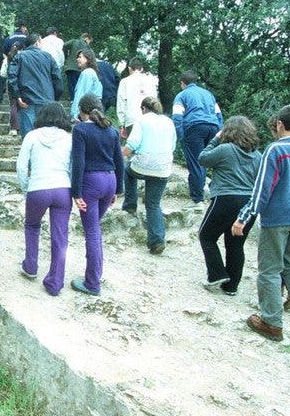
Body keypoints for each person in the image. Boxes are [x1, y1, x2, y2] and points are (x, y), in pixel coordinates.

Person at [232, 104, 290, 342]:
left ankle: (271, 322)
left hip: (278, 217)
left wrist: (243, 217)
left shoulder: (274, 150)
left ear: (279, 125)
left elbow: (262, 190)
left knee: (269, 270)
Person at [198, 116, 262, 296]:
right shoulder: (258, 155)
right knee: (236, 244)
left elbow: (202, 158)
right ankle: (231, 286)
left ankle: (216, 274)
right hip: (248, 204)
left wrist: (216, 139)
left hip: (225, 199)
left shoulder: (225, 149)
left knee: (206, 236)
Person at [16, 103, 73, 296]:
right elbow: (74, 166)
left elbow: (22, 167)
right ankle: (55, 282)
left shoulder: (32, 136)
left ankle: (30, 266)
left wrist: (26, 189)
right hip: (62, 189)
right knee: (60, 237)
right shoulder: (68, 138)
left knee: (32, 226)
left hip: (38, 188)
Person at [70, 95, 124, 296]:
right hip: (110, 181)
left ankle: (92, 283)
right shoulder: (112, 130)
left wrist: (76, 192)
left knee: (92, 232)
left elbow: (79, 162)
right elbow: (120, 161)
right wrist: (118, 190)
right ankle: (94, 274)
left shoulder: (81, 129)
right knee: (95, 230)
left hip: (91, 182)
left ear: (83, 111)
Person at [121, 97, 176, 254]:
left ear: (144, 108)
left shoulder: (142, 120)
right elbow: (172, 145)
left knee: (128, 171)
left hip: (143, 165)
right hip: (163, 167)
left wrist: (120, 155)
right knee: (153, 204)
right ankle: (157, 240)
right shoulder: (168, 122)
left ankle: (130, 205)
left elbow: (132, 144)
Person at [172, 70, 224, 210]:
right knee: (210, 161)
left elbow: (177, 117)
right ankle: (214, 194)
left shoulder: (181, 95)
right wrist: (220, 133)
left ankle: (197, 200)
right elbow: (219, 115)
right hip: (213, 127)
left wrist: (180, 136)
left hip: (194, 128)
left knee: (196, 163)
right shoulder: (208, 94)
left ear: (182, 83)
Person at [8, 33, 63, 138]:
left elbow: (12, 77)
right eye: (41, 42)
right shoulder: (48, 57)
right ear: (37, 42)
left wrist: (17, 96)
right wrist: (54, 98)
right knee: (46, 137)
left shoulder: (19, 56)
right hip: (47, 101)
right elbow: (58, 80)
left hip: (26, 101)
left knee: (29, 138)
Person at [116, 57, 158, 139]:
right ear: (141, 68)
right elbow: (155, 101)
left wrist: (121, 124)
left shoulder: (124, 82)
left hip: (132, 119)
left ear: (129, 68)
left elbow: (121, 103)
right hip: (149, 119)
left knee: (133, 147)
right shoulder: (151, 81)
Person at [69, 49, 103, 121]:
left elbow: (81, 94)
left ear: (88, 59)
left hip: (84, 114)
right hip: (93, 113)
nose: (77, 59)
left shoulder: (87, 73)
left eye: (80, 57)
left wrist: (75, 115)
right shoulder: (93, 72)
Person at [0, 42, 23, 135]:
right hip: (23, 84)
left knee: (13, 105)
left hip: (11, 84)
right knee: (22, 105)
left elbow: (2, 73)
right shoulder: (24, 57)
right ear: (21, 49)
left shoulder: (7, 58)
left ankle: (14, 128)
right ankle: (23, 126)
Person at [62, 33, 91, 99]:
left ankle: (73, 100)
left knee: (72, 86)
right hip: (81, 70)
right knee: (80, 87)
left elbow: (64, 45)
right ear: (86, 38)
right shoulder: (87, 46)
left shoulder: (74, 41)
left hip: (70, 68)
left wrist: (66, 56)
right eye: (89, 41)